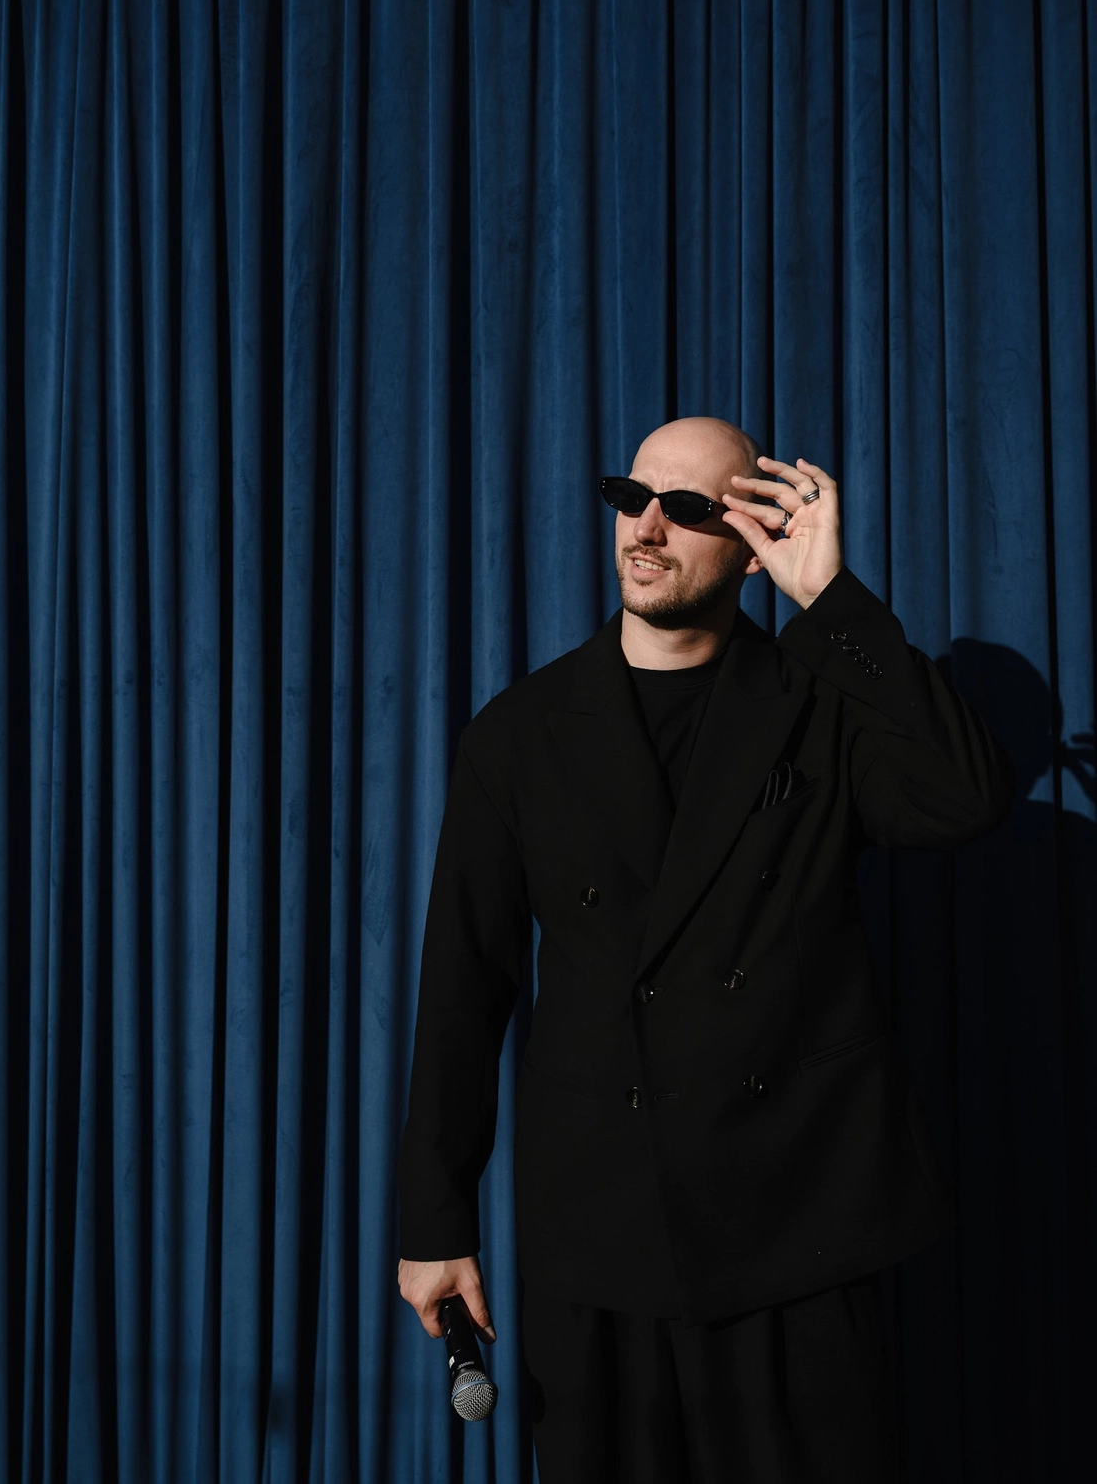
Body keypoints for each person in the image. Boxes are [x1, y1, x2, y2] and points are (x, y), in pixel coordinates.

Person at [396, 417, 1012, 1482]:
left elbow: (966, 799)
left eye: (685, 510)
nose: (646, 529)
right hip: (602, 1236)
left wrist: (832, 600)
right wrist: (435, 1221)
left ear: (751, 543)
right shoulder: (521, 732)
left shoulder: (821, 704)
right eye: (628, 497)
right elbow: (464, 987)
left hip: (798, 1231)